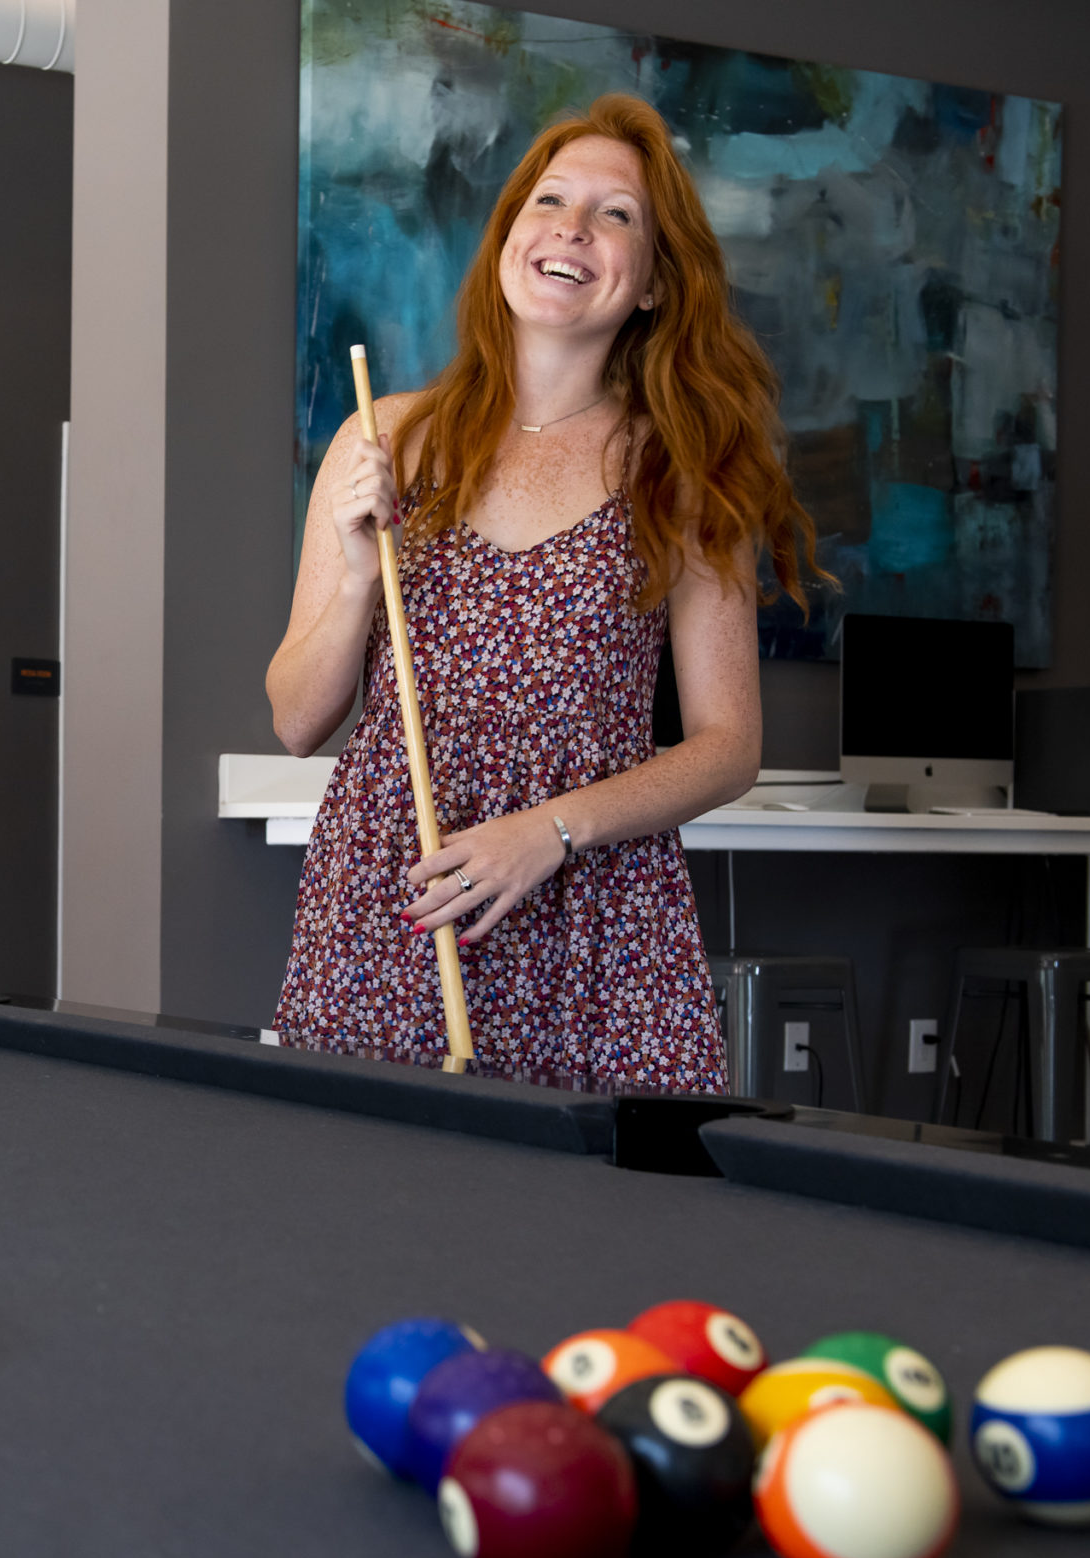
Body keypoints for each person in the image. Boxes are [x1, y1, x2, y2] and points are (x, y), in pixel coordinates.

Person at [268, 95, 815, 1087]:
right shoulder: (381, 438)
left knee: (607, 1231)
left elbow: (729, 746)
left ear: (653, 282)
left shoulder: (687, 471)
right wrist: (356, 573)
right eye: (550, 200)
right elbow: (298, 720)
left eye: (617, 215)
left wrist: (547, 834)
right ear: (509, 236)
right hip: (397, 896)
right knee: (362, 1217)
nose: (572, 226)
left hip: (597, 912)